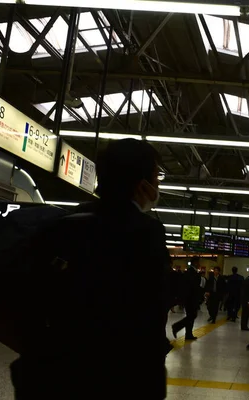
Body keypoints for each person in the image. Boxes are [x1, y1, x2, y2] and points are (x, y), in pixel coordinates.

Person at [9, 139, 171, 400]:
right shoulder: (146, 233)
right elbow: (151, 314)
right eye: (156, 176)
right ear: (142, 184)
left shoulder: (60, 225)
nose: (158, 184)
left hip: (55, 373)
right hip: (117, 376)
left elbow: (33, 298)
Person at [172, 257, 202, 340]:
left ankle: (188, 334)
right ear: (195, 263)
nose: (199, 264)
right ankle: (176, 327)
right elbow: (191, 286)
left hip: (191, 298)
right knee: (192, 315)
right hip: (190, 298)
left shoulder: (192, 272)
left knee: (191, 316)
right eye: (198, 262)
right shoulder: (190, 272)